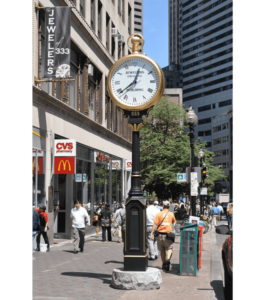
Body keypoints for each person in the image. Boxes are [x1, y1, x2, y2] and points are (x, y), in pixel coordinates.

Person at [151, 200, 176, 271]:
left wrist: (152, 233)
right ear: (169, 207)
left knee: (162, 250)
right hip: (168, 235)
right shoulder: (171, 214)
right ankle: (168, 259)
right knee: (169, 249)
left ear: (163, 206)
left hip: (159, 235)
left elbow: (155, 224)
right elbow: (174, 222)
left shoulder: (159, 214)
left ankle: (164, 264)